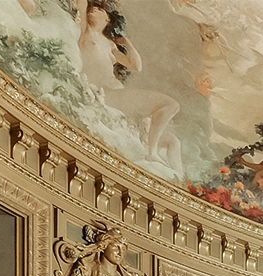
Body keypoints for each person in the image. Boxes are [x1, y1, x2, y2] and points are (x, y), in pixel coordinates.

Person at [76, 0, 183, 174]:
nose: (93, 8)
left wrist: (125, 40)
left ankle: (180, 184)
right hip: (108, 93)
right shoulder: (86, 32)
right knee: (171, 104)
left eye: (100, 9)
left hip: (119, 94)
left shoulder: (110, 45)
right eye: (92, 7)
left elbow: (136, 64)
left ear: (108, 19)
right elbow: (81, 3)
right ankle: (151, 152)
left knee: (174, 142)